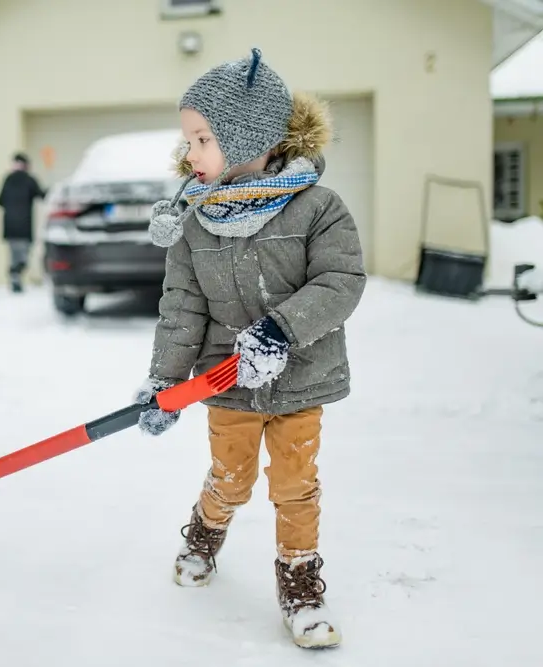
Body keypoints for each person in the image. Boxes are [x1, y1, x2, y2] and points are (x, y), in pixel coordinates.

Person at [134, 48, 366, 649]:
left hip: (301, 378)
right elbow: (181, 308)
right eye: (188, 140)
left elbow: (340, 282)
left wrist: (281, 330)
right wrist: (165, 382)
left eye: (202, 139)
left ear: (247, 138)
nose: (189, 154)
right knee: (232, 479)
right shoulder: (196, 223)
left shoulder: (319, 209)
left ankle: (301, 584)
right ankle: (205, 532)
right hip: (226, 382)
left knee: (295, 484)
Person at [0, 152, 46, 292]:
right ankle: (15, 275)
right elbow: (42, 195)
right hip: (24, 226)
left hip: (10, 226)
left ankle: (15, 277)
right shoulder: (29, 180)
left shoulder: (8, 179)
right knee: (23, 256)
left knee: (14, 255)